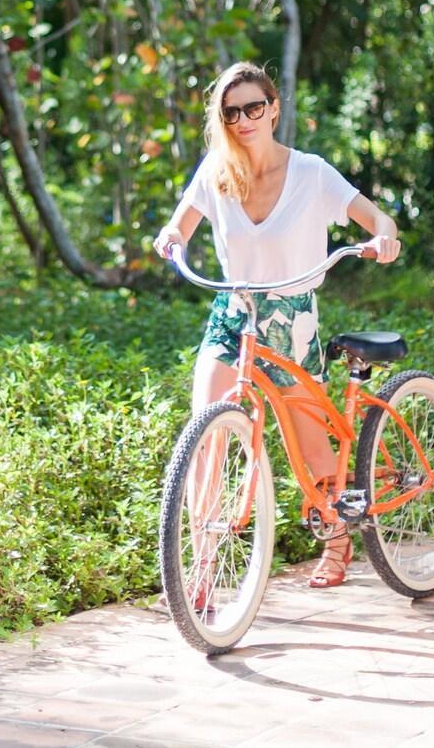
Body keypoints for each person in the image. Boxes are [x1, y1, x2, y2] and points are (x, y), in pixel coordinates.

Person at [153, 61, 402, 588]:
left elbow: (377, 218)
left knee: (312, 454)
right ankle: (201, 567)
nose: (244, 120)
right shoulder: (215, 170)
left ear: (273, 109)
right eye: (232, 112)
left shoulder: (310, 173)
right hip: (232, 316)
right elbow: (179, 224)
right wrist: (171, 237)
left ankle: (337, 542)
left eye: (254, 108)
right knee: (206, 438)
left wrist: (384, 239)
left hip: (293, 323)